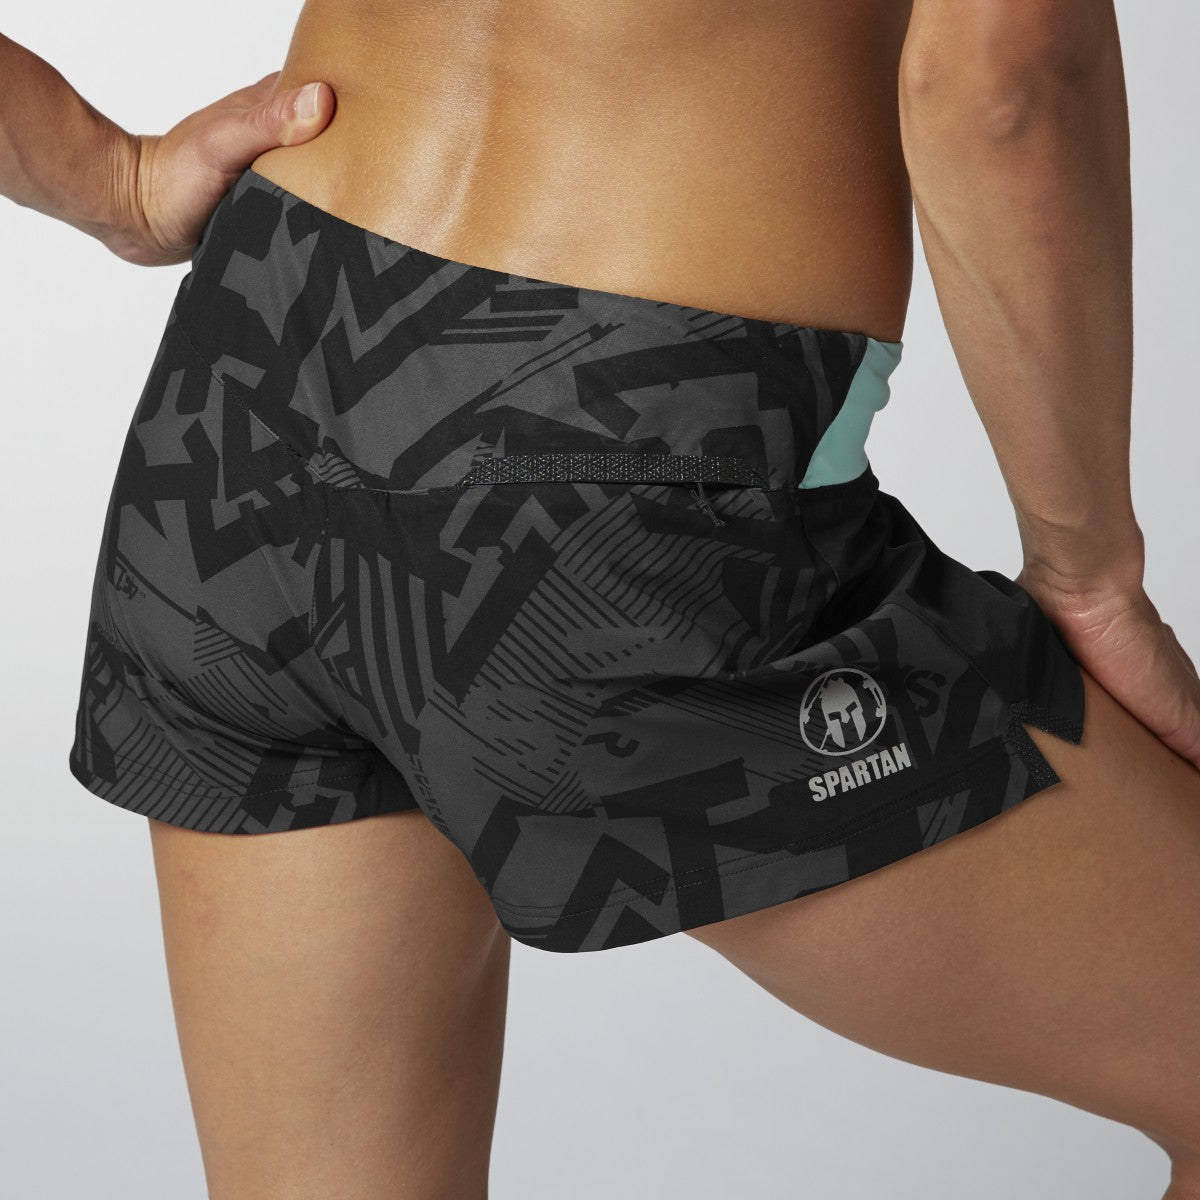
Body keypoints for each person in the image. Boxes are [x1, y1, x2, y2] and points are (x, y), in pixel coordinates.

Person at [5, 1, 1200, 1195]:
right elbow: (1005, 75)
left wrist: (116, 178)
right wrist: (1087, 569)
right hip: (604, 449)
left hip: (245, 408)